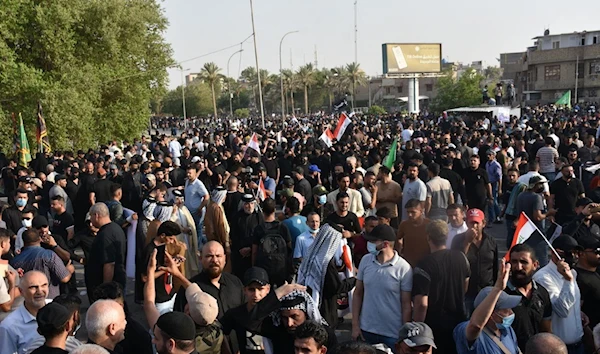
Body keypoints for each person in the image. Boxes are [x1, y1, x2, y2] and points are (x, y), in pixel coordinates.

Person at [412, 220, 470, 354]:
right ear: (447, 236)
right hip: (458, 321)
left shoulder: (424, 265)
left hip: (434, 326)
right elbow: (465, 286)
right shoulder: (461, 257)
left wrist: (418, 329)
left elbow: (422, 304)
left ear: (428, 237)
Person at [352, 224, 412, 349]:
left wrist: (404, 335)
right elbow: (358, 293)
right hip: (366, 331)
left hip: (392, 334)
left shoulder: (404, 268)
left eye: (373, 241)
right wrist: (355, 325)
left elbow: (406, 304)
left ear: (385, 244)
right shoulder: (366, 261)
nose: (369, 243)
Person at [453, 261, 521, 354]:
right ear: (491, 313)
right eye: (505, 309)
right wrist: (497, 289)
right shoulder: (464, 328)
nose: (511, 313)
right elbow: (475, 326)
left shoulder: (507, 330)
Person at [296, 223, 356, 328]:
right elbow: (336, 287)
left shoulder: (311, 255)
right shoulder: (326, 263)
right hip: (324, 309)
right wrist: (354, 280)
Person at [533, 235, 584, 354]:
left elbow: (571, 304)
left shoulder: (572, 273)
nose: (574, 257)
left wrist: (578, 312)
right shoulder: (543, 277)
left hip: (579, 343)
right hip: (560, 348)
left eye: (577, 253)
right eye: (570, 253)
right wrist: (568, 281)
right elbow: (561, 310)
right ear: (555, 253)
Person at [173, 241, 245, 318]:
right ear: (200, 259)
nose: (214, 260)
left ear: (225, 259)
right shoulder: (188, 289)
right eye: (209, 256)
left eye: (218, 256)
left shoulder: (235, 283)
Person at [505, 243, 552, 351]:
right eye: (514, 262)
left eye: (524, 262)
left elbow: (546, 329)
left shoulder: (542, 293)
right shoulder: (501, 294)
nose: (518, 267)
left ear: (535, 265)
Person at [452, 208, 498, 315]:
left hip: (486, 291)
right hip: (467, 293)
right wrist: (467, 242)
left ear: (483, 223)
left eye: (477, 223)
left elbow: (495, 267)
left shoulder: (491, 242)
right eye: (471, 223)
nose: (474, 226)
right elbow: (456, 263)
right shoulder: (458, 240)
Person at [10, 228, 74, 299]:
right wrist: (69, 270)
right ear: (40, 239)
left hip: (27, 301)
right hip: (49, 299)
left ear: (23, 241)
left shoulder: (15, 260)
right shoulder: (48, 255)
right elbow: (64, 278)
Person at [93, 282, 153, 354]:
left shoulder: (139, 336)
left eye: (105, 308)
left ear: (120, 306)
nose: (99, 313)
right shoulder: (95, 328)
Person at [85, 203, 127, 302]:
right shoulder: (116, 228)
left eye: (91, 216)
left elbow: (109, 264)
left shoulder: (105, 235)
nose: (90, 220)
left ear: (96, 215)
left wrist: (105, 289)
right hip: (118, 278)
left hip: (107, 284)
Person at [0, 271, 49, 354]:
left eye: (44, 285)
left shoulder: (60, 312)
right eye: (33, 287)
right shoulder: (9, 326)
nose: (40, 291)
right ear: (21, 291)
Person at [142, 221, 182, 314]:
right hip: (159, 298)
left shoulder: (163, 246)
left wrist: (174, 260)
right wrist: (167, 269)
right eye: (170, 238)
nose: (172, 242)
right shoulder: (149, 251)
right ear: (163, 235)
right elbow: (145, 278)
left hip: (170, 293)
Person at [252, 198, 293, 287]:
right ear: (274, 210)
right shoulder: (282, 227)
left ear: (262, 210)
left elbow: (254, 251)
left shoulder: (259, 229)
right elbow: (289, 247)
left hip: (264, 267)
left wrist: (254, 266)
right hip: (281, 267)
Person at [517, 175, 554, 266]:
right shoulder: (536, 197)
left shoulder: (521, 195)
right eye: (540, 184)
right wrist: (549, 213)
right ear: (535, 185)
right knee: (542, 258)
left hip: (524, 231)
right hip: (536, 231)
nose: (542, 187)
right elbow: (537, 216)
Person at [230, 194, 264, 279]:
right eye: (247, 204)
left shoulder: (259, 216)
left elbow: (262, 235)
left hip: (254, 253)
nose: (249, 206)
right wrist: (240, 249)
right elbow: (233, 235)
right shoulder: (236, 217)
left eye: (252, 204)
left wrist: (251, 248)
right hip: (240, 254)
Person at [171, 189, 199, 278]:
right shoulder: (171, 211)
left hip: (187, 239)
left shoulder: (184, 209)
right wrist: (183, 229)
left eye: (181, 199)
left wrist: (189, 229)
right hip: (179, 239)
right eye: (177, 199)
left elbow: (190, 223)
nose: (180, 201)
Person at [574, 236, 600, 329]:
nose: (599, 255)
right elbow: (577, 312)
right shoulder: (578, 277)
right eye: (597, 251)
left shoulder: (595, 273)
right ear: (581, 253)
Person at [396, 199, 431, 267]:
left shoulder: (429, 224)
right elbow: (398, 239)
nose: (409, 215)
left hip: (425, 262)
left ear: (421, 211)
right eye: (408, 212)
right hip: (408, 263)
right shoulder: (404, 224)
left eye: (413, 212)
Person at [185, 165, 210, 246]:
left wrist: (200, 208)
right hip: (188, 211)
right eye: (187, 173)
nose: (188, 175)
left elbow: (206, 196)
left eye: (190, 173)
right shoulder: (187, 182)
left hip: (196, 211)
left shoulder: (198, 184)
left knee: (198, 229)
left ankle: (198, 247)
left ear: (195, 173)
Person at [0, 229, 18, 320]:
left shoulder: (3, 265)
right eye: (9, 242)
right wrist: (12, 284)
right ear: (3, 244)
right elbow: (6, 306)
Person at [486, 150, 502, 224]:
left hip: (494, 183)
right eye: (487, 154)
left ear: (493, 155)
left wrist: (499, 189)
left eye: (490, 154)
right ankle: (497, 215)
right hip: (488, 183)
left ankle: (494, 218)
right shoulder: (487, 164)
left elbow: (499, 178)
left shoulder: (496, 165)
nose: (488, 156)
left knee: (492, 201)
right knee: (491, 201)